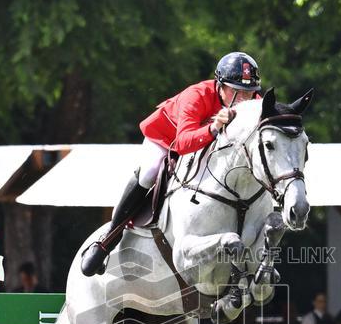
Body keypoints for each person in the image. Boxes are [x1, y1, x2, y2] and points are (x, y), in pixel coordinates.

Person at [80, 52, 262, 276]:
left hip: (205, 146)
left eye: (249, 92)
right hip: (166, 140)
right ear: (220, 85)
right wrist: (214, 128)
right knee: (149, 171)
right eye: (236, 91)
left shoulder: (254, 103)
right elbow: (183, 142)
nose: (244, 99)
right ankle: (108, 238)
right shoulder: (196, 95)